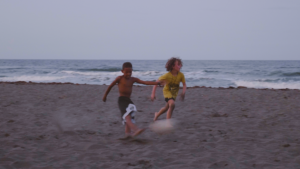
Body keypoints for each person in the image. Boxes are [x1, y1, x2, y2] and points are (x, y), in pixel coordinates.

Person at [103, 62, 161, 138]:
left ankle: (127, 134)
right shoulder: (119, 78)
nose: (128, 74)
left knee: (130, 115)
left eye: (130, 72)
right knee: (127, 116)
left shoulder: (133, 79)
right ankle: (135, 129)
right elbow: (110, 86)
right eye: (126, 72)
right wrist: (105, 96)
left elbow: (145, 82)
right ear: (122, 71)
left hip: (128, 100)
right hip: (121, 100)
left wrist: (156, 83)